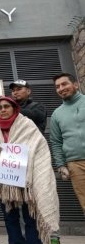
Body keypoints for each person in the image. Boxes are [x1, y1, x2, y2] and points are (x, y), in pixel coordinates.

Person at [0, 97, 60, 244]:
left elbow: (37, 147)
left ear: (14, 108)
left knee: (30, 215)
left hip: (27, 179)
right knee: (9, 217)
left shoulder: (27, 125)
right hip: (4, 181)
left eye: (6, 106)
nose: (3, 110)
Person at [9, 79, 63, 244]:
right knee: (20, 200)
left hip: (36, 157)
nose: (15, 92)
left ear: (28, 91)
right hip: (16, 157)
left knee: (45, 196)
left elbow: (34, 117)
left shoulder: (37, 107)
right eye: (13, 90)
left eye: (19, 89)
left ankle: (53, 238)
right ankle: (22, 238)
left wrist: (10, 108)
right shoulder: (6, 109)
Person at [50, 73, 85, 216]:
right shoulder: (57, 114)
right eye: (57, 86)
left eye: (64, 84)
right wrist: (61, 165)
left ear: (75, 84)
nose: (61, 88)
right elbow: (56, 142)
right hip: (75, 165)